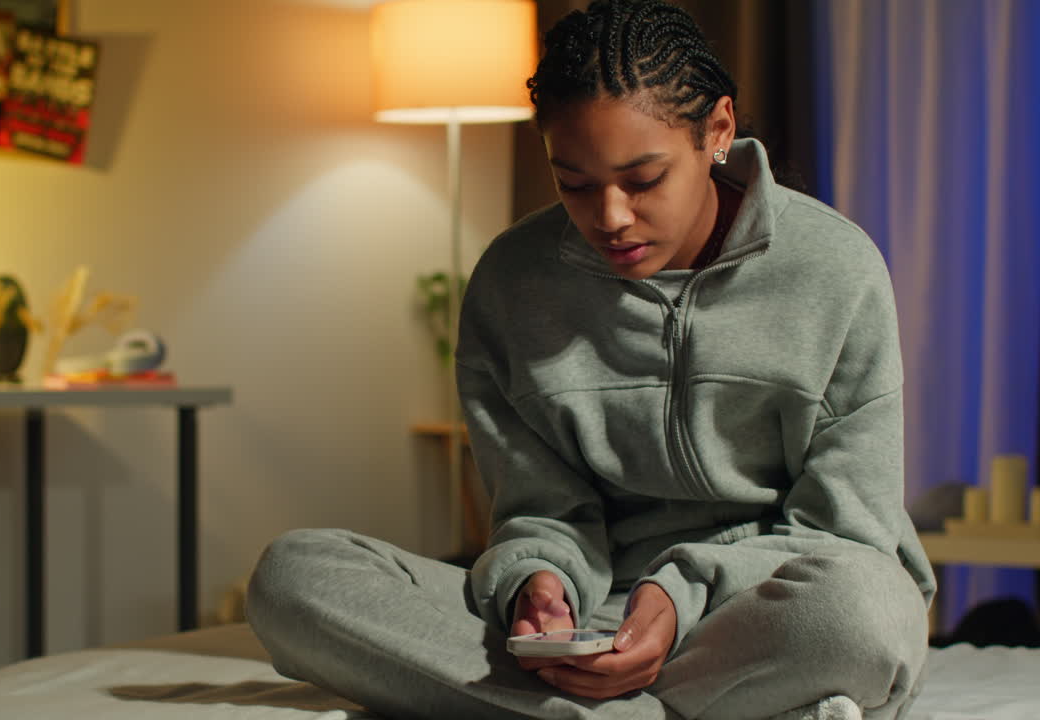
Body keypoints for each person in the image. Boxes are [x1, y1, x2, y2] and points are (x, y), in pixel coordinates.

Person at [247, 1, 936, 718]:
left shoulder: (835, 270)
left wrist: (677, 594)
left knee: (862, 616)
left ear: (719, 131)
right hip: (593, 615)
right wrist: (537, 584)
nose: (609, 216)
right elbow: (540, 509)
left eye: (642, 180)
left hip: (761, 610)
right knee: (293, 578)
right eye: (573, 183)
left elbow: (845, 528)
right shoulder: (514, 283)